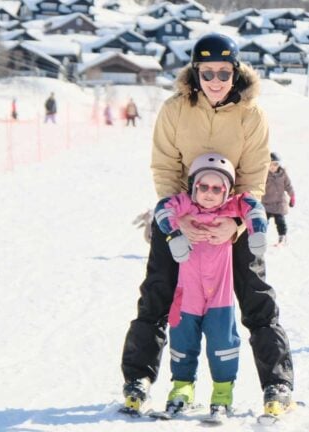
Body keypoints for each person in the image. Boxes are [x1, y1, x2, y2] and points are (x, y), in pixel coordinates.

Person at [120, 32, 295, 418]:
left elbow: (253, 176)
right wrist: (178, 219)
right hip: (181, 214)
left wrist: (234, 223)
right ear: (195, 73)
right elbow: (165, 167)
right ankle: (138, 378)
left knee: (256, 297)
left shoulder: (252, 114)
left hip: (231, 216)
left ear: (235, 73)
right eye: (207, 72)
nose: (215, 81)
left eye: (223, 72)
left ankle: (277, 383)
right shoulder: (175, 108)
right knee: (157, 293)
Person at [154, 153, 268, 416]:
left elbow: (254, 207)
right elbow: (163, 208)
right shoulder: (184, 205)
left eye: (217, 188)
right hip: (188, 294)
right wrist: (174, 234)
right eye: (203, 187)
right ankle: (182, 387)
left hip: (220, 295)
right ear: (193, 187)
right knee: (182, 339)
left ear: (226, 191)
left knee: (222, 342)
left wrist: (257, 230)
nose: (208, 193)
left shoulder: (232, 208)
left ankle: (222, 390)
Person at [261, 152, 295, 246]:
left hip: (279, 203)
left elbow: (288, 186)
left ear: (279, 164)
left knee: (280, 221)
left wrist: (292, 196)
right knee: (263, 221)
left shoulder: (283, 174)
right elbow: (259, 186)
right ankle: (260, 238)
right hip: (266, 203)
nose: (272, 167)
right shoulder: (264, 175)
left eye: (275, 164)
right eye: (270, 164)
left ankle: (282, 237)